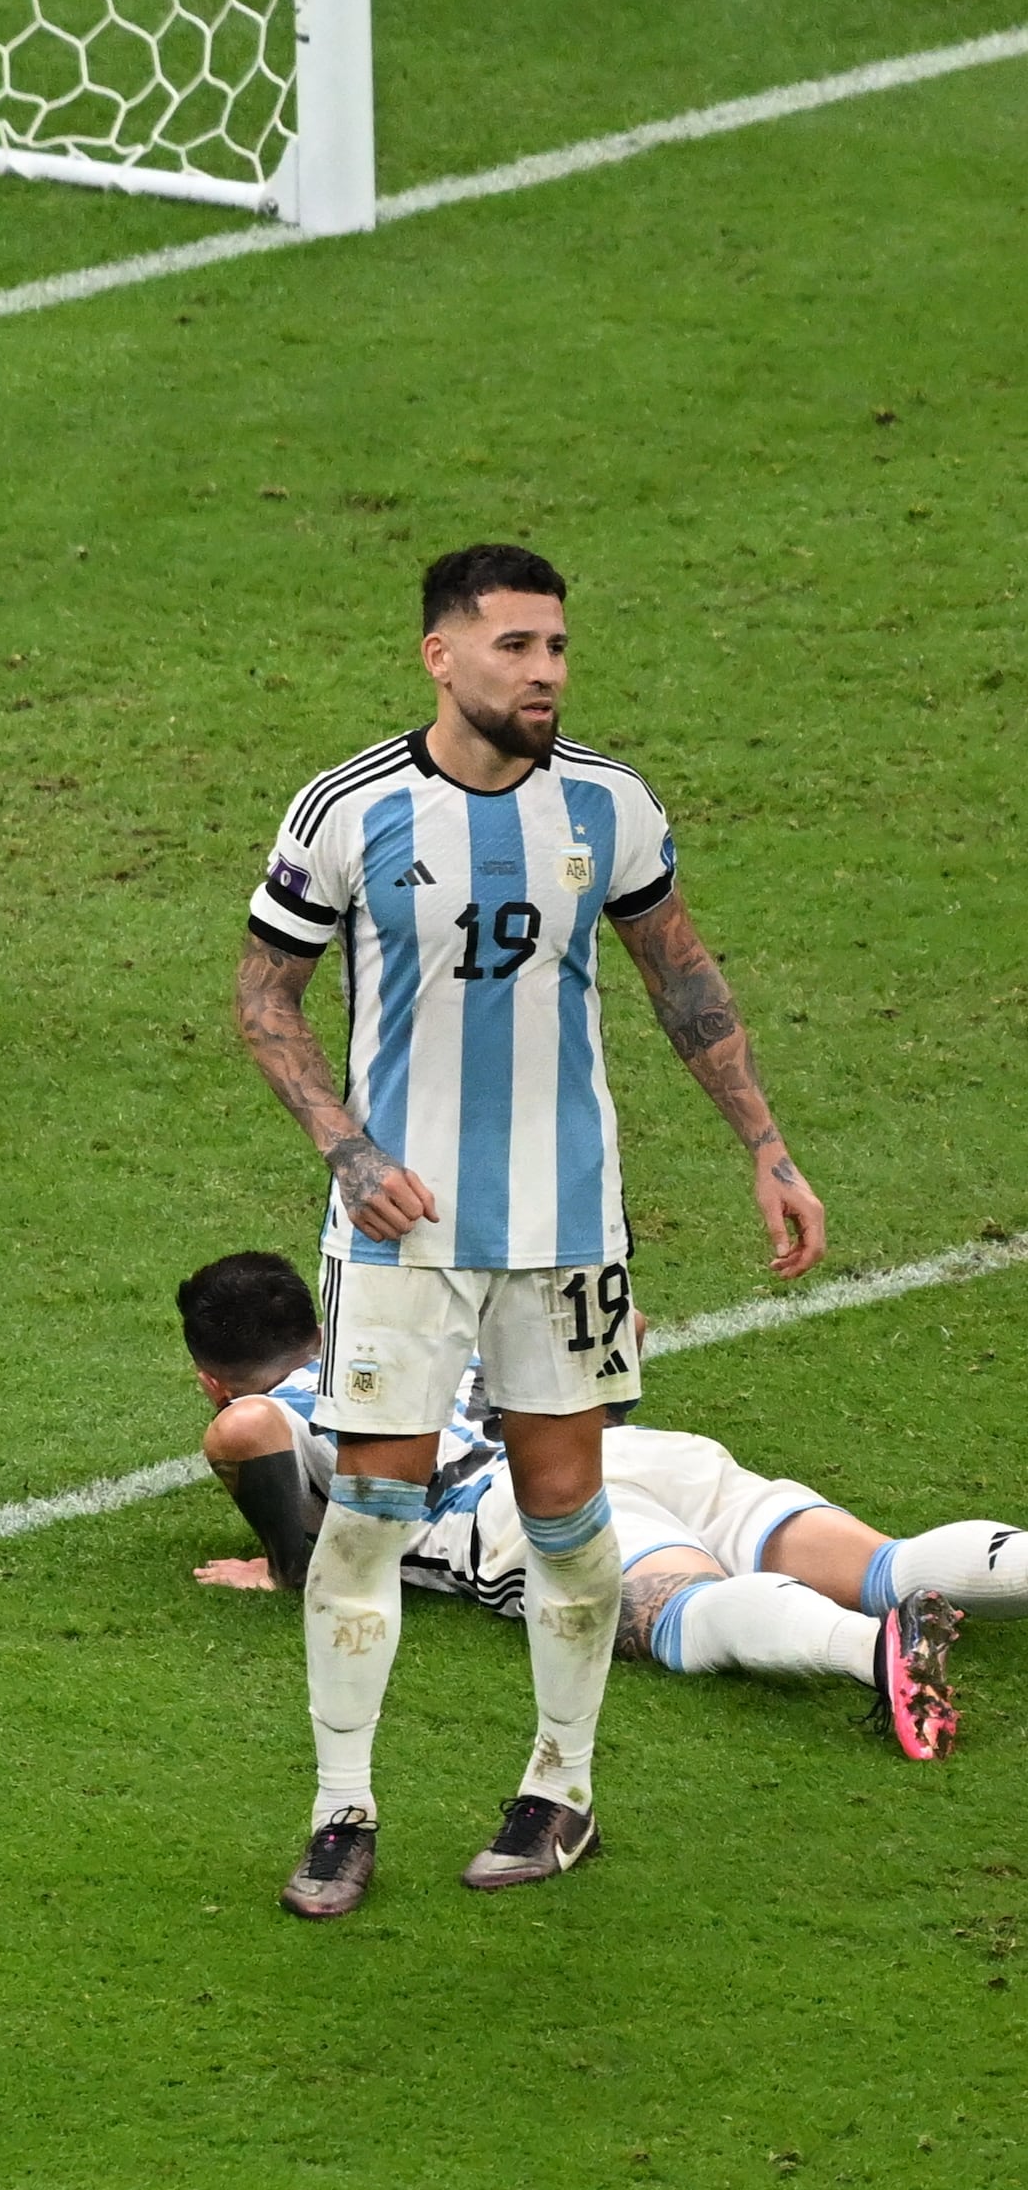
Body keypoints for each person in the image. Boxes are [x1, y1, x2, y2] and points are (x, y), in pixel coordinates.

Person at [236, 541, 829, 1914]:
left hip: (566, 1226)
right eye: (516, 646)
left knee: (564, 1509)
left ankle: (560, 1789)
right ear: (442, 656)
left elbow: (683, 978)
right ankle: (341, 1810)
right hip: (403, 1231)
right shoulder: (348, 808)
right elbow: (265, 999)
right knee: (373, 1511)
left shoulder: (610, 806)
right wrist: (346, 1144)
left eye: (557, 645)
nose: (546, 670)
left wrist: (766, 1145)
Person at [174, 1253, 977, 1755]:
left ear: (210, 1377)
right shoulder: (429, 1340)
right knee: (885, 1562)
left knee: (680, 1609)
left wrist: (286, 1568)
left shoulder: (277, 1404)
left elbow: (246, 1427)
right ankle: (900, 1608)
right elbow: (627, 1329)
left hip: (518, 1506)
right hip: (635, 1454)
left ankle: (876, 1652)